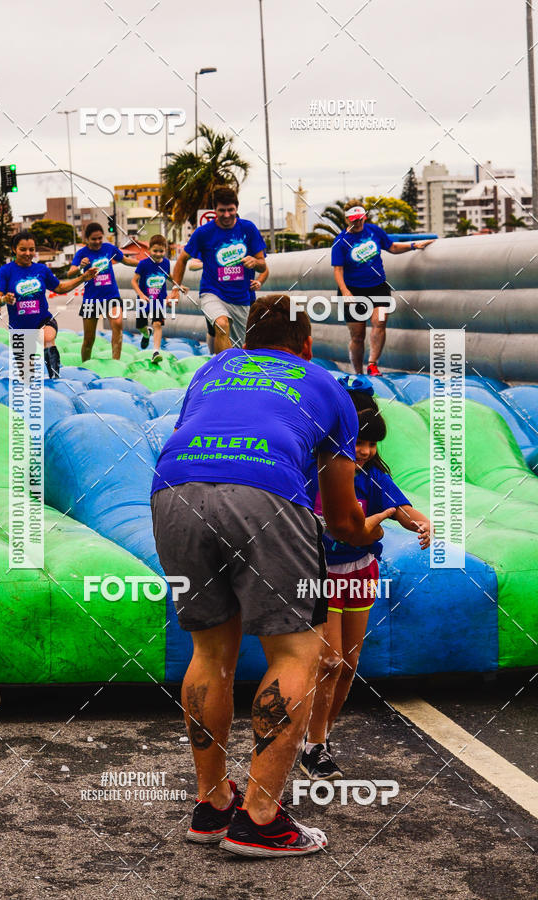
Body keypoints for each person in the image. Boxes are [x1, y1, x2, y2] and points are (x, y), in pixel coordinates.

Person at [151, 295, 394, 857]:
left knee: (209, 652)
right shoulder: (327, 386)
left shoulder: (213, 369)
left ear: (246, 341)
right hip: (266, 490)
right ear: (306, 344)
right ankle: (260, 817)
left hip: (174, 487)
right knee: (297, 652)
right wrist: (368, 534)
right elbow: (339, 517)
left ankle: (212, 803)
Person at [300, 384, 431, 780]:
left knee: (348, 664)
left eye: (373, 444)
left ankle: (318, 740)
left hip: (359, 574)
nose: (366, 451)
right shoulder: (316, 470)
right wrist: (381, 518)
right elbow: (343, 532)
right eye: (360, 442)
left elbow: (403, 508)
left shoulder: (371, 476)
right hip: (321, 575)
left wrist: (421, 524)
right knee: (330, 661)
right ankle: (311, 744)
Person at [331, 206, 435, 376]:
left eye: (360, 218)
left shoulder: (374, 231)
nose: (357, 222)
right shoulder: (341, 241)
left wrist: (413, 245)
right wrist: (345, 291)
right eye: (353, 219)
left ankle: (372, 364)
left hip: (377, 286)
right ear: (347, 220)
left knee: (379, 322)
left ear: (364, 217)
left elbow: (392, 247)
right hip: (353, 290)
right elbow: (338, 270)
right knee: (358, 336)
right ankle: (358, 372)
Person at [170, 186, 267, 354]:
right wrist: (175, 288)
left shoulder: (248, 229)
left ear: (237, 208)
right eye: (222, 210)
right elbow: (182, 259)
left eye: (231, 210)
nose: (227, 215)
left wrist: (255, 262)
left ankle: (225, 366)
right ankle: (224, 374)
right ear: (214, 209)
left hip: (241, 298)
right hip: (212, 292)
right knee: (222, 324)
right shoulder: (203, 233)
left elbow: (263, 265)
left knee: (242, 349)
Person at [0, 231, 97, 378]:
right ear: (14, 249)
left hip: (43, 320)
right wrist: (4, 299)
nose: (28, 253)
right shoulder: (5, 271)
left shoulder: (41, 270)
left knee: (48, 338)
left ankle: (55, 378)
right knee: (27, 376)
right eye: (23, 249)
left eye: (32, 249)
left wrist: (84, 277)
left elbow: (60, 288)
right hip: (19, 327)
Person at [67, 222, 138, 362]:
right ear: (86, 239)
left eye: (100, 238)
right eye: (94, 239)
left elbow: (125, 260)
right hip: (91, 300)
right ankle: (85, 364)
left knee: (117, 323)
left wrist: (145, 263)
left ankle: (116, 361)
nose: (98, 241)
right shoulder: (82, 253)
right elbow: (70, 273)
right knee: (89, 339)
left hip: (111, 296)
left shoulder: (109, 249)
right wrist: (80, 267)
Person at [131, 234, 171, 364]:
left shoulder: (166, 263)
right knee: (141, 326)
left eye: (161, 251)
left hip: (159, 300)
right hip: (144, 301)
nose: (158, 254)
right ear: (149, 250)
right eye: (155, 251)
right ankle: (146, 333)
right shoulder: (143, 264)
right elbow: (134, 281)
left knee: (157, 324)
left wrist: (178, 285)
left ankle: (155, 352)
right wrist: (141, 295)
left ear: (165, 250)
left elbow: (168, 276)